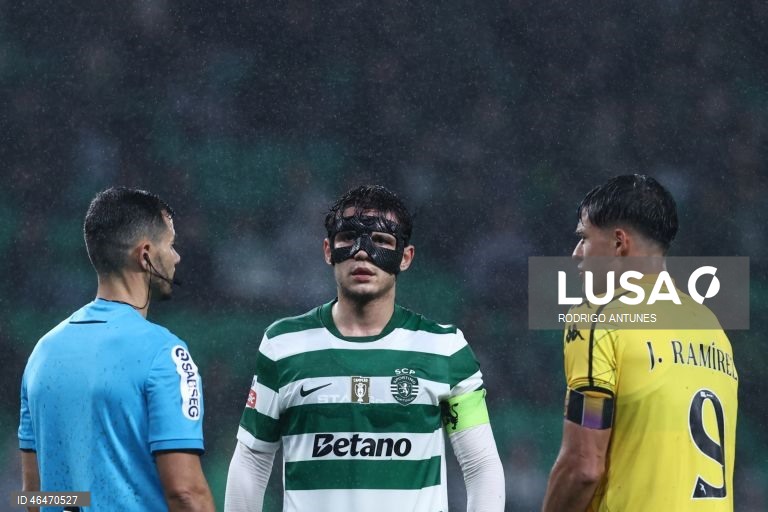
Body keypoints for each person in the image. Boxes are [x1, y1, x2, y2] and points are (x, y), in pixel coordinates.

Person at [224, 185, 505, 512]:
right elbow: (253, 459)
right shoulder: (283, 344)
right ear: (328, 250)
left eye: (381, 241)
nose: (362, 252)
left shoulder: (446, 349)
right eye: (348, 238)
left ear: (405, 257)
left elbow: (480, 464)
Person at [542, 175, 738, 511]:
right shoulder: (712, 327)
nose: (576, 254)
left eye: (584, 238)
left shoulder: (598, 316)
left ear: (619, 242)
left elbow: (584, 466)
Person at [18, 187, 215, 512]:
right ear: (145, 255)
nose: (177, 256)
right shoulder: (165, 354)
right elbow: (185, 493)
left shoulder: (42, 353)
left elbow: (32, 494)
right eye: (170, 244)